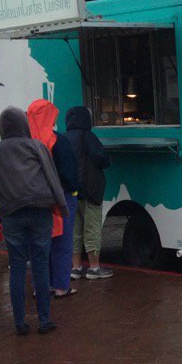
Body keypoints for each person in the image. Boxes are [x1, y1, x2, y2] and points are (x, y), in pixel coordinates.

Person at [0, 107, 66, 335]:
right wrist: (62, 207)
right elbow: (52, 177)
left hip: (10, 213)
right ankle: (45, 320)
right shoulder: (35, 145)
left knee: (17, 266)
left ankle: (19, 322)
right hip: (40, 209)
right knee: (40, 264)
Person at [26, 99, 80, 298]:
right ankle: (61, 286)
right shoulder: (59, 140)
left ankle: (41, 285)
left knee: (39, 243)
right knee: (62, 241)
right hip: (61, 197)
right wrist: (74, 190)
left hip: (33, 199)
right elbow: (69, 173)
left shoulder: (25, 142)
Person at [65, 106, 113, 280]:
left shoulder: (64, 138)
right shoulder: (88, 136)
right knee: (92, 229)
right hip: (90, 189)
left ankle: (76, 267)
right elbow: (101, 158)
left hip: (71, 191)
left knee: (74, 230)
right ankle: (94, 267)